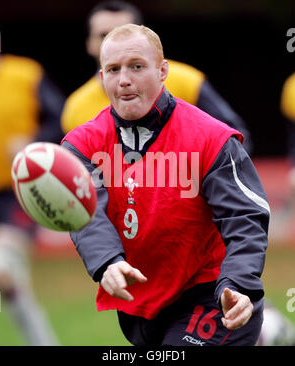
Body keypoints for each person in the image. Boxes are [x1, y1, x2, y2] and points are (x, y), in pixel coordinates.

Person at [61, 23, 269, 346]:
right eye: (114, 70)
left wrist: (239, 285)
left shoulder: (211, 139)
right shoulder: (80, 146)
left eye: (137, 66)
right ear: (102, 79)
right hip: (140, 306)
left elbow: (246, 218)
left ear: (163, 72)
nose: (125, 79)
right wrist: (107, 262)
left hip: (214, 296)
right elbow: (86, 211)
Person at [61, 0, 252, 154]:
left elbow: (234, 138)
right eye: (104, 35)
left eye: (124, 31)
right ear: (89, 44)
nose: (115, 40)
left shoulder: (186, 81)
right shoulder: (75, 107)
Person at [0, 48, 64, 345]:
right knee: (9, 282)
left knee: (0, 266)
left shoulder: (26, 74)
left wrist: (32, 142)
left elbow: (62, 121)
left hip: (18, 190)